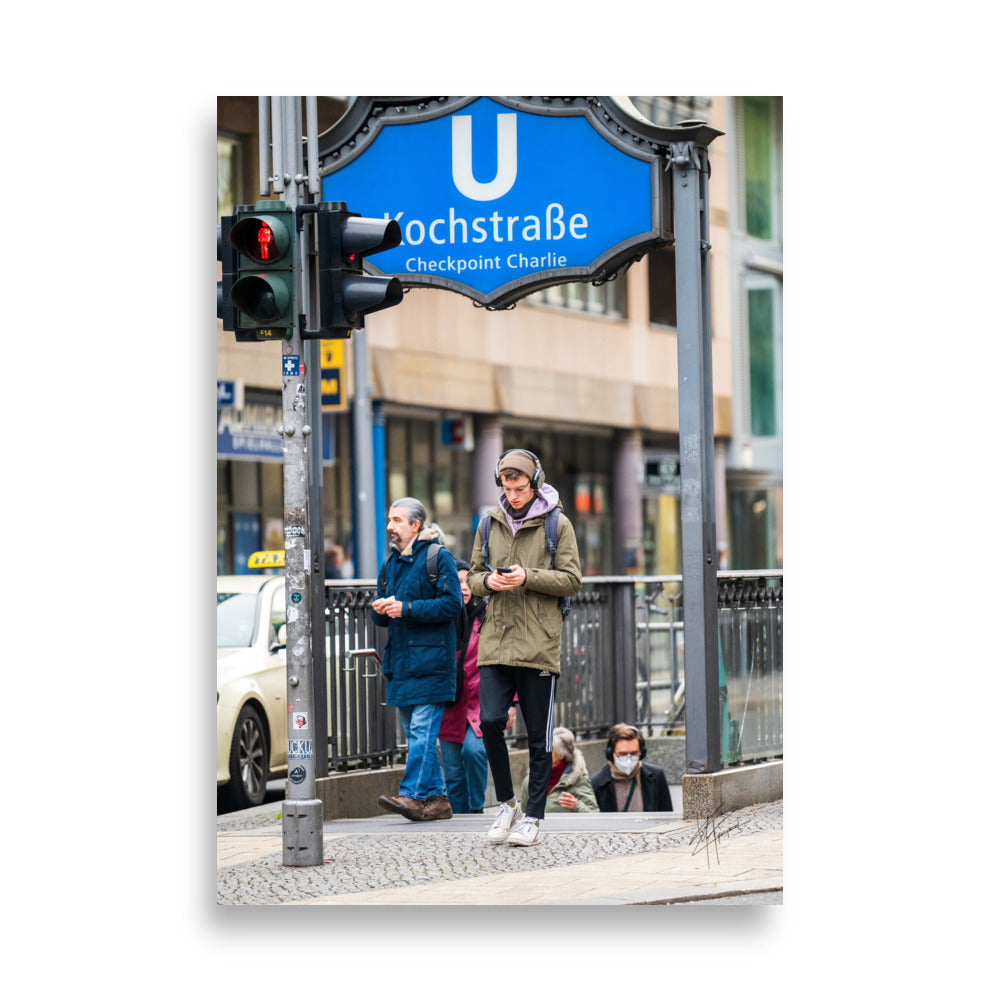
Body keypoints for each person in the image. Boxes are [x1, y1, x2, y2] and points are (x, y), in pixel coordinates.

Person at [468, 448, 582, 847]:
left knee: (538, 736)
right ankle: (507, 804)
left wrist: (527, 577)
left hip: (538, 644)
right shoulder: (488, 523)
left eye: (520, 488)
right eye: (507, 487)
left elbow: (571, 580)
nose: (513, 495)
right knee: (490, 721)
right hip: (496, 640)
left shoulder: (557, 524)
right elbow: (474, 576)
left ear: (535, 483)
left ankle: (533, 816)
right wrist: (489, 583)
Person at [371, 498, 463, 822]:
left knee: (422, 733)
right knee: (416, 736)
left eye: (396, 520)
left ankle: (410, 795)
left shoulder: (440, 558)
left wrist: (406, 609)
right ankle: (438, 800)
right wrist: (379, 609)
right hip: (403, 664)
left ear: (415, 526)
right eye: (389, 519)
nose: (389, 526)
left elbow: (453, 605)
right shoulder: (391, 564)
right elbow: (383, 618)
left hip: (432, 664)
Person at [436, 560, 490, 814]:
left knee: (474, 751)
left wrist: (511, 704)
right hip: (448, 703)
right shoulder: (441, 619)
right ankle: (459, 819)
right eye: (457, 582)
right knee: (454, 771)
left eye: (468, 581)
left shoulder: (487, 616)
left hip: (481, 702)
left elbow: (505, 659)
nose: (464, 587)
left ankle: (477, 807)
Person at [590, 723, 674, 813]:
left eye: (634, 753)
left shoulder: (656, 776)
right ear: (611, 753)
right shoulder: (596, 783)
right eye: (623, 754)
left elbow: (666, 816)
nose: (628, 759)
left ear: (642, 753)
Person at [518, 726, 598, 814]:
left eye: (549, 749)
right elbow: (523, 815)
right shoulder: (530, 780)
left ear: (562, 754)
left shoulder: (577, 778)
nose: (543, 752)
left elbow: (594, 813)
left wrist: (577, 806)